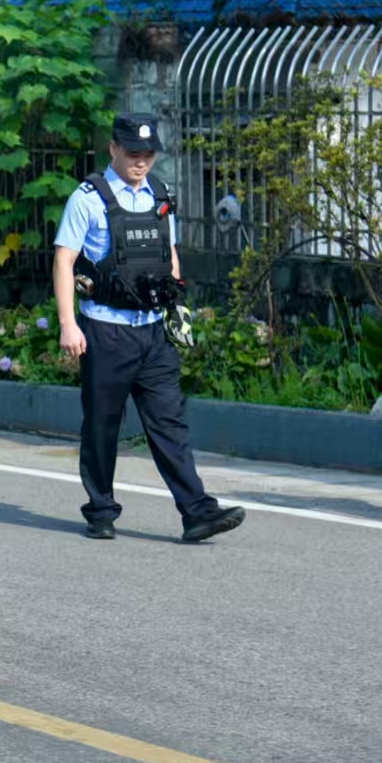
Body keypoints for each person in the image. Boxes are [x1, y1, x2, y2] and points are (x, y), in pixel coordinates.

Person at [56, 114, 246, 544]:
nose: (141, 161)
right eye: (133, 153)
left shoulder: (160, 193)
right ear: (114, 149)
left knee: (169, 423)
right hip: (106, 330)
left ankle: (197, 512)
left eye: (148, 154)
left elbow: (168, 252)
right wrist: (68, 324)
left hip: (153, 332)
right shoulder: (87, 199)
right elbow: (63, 260)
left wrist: (176, 310)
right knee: (102, 426)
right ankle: (101, 511)